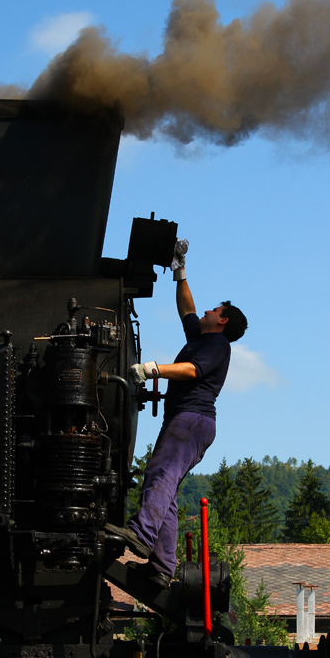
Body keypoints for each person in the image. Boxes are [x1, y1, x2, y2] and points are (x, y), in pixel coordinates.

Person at [106, 240, 247, 586]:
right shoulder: (202, 336)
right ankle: (161, 567)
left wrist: (154, 370)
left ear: (223, 320)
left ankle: (141, 532)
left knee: (161, 472)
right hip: (186, 420)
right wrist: (179, 269)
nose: (205, 312)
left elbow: (192, 371)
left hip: (192, 420)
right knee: (166, 489)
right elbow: (187, 307)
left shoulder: (217, 344)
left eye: (213, 310)